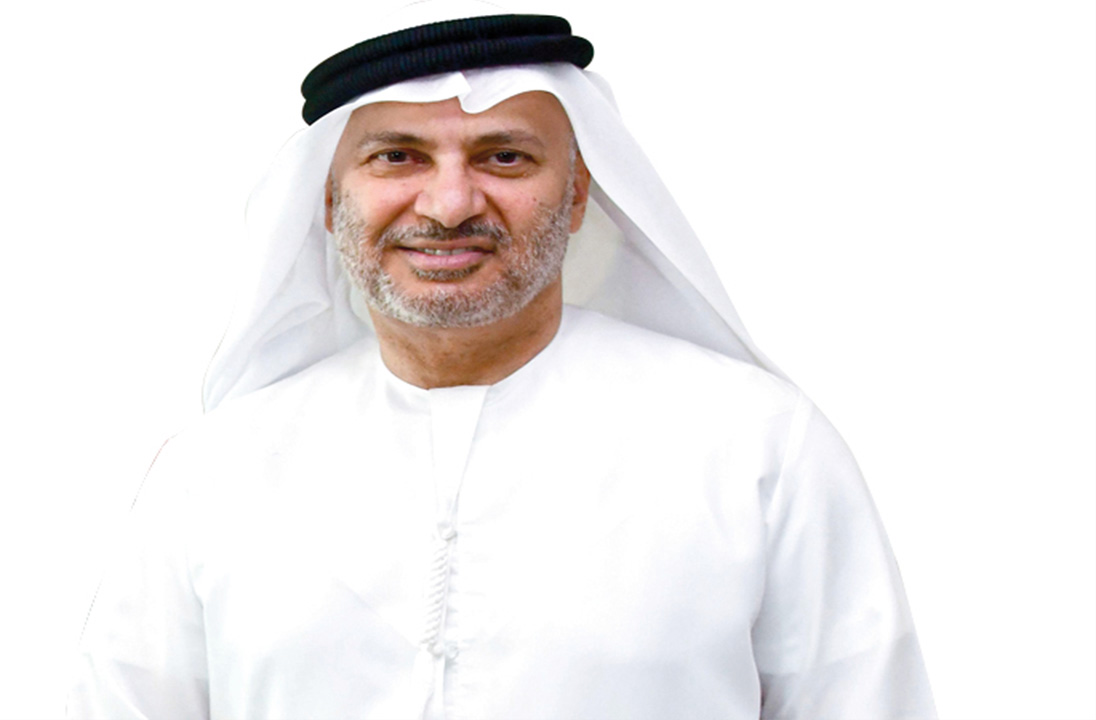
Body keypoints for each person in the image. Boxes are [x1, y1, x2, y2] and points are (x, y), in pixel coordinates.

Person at [69, 3, 937, 718]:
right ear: (329, 200)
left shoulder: (759, 448)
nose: (449, 204)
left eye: (504, 157)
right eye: (397, 156)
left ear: (579, 193)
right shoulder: (211, 475)